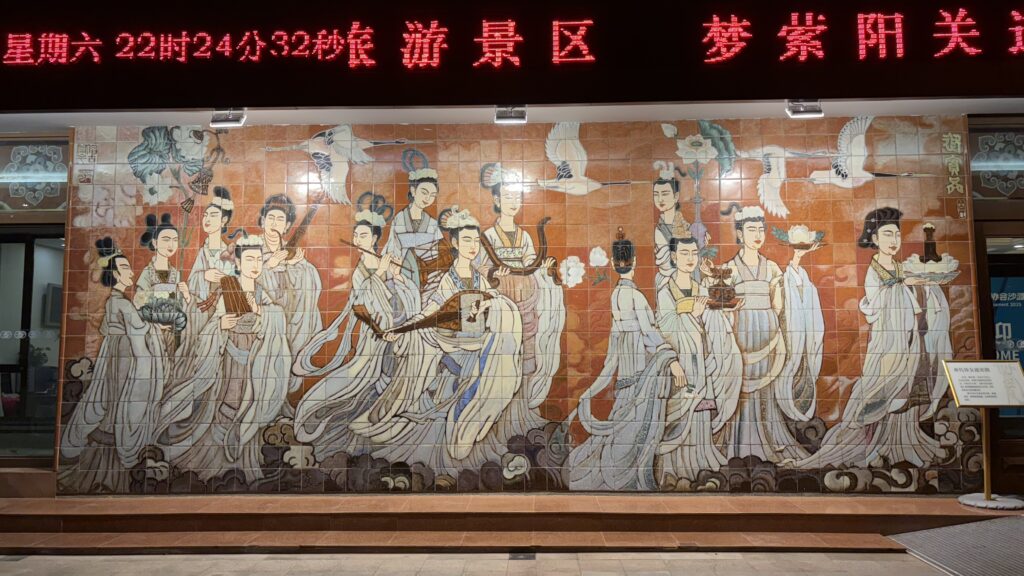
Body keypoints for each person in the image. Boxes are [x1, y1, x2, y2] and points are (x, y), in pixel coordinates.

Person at [356, 206, 522, 478]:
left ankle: (473, 419)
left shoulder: (478, 277)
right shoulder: (448, 280)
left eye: (475, 240)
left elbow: (494, 302)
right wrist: (403, 329)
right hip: (453, 344)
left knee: (500, 357)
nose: (472, 246)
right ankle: (459, 419)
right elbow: (432, 312)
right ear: (454, 243)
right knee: (479, 362)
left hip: (478, 342)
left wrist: (491, 302)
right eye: (466, 240)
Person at [789, 208, 944, 470]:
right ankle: (868, 443)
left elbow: (911, 297)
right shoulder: (875, 271)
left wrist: (920, 286)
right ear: (874, 239)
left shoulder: (900, 267)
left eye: (897, 234)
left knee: (907, 386)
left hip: (909, 340)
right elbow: (878, 303)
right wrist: (904, 283)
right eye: (887, 234)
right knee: (879, 385)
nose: (894, 240)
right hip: (887, 342)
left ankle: (900, 439)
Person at [291, 210, 423, 461]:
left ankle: (389, 417)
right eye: (356, 235)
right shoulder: (361, 270)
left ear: (374, 239)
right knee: (369, 378)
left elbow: (408, 295)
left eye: (363, 235)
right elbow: (361, 302)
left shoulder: (385, 262)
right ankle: (364, 421)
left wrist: (396, 276)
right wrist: (380, 275)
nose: (358, 239)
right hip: (374, 336)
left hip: (399, 330)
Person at [158, 236, 291, 482]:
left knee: (248, 412)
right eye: (249, 259)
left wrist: (263, 313)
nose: (255, 265)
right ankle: (217, 469)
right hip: (230, 365)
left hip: (254, 367)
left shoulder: (261, 294)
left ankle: (246, 468)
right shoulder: (229, 288)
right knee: (226, 410)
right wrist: (221, 324)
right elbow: (208, 329)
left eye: (258, 260)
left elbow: (277, 318)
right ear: (238, 263)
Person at [565, 228, 687, 491]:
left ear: (613, 263)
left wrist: (598, 383)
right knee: (634, 432)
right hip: (639, 375)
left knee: (624, 430)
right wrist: (672, 359)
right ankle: (627, 478)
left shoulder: (616, 295)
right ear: (635, 262)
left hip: (624, 375)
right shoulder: (635, 296)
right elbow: (650, 333)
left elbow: (617, 341)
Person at [710, 205, 823, 464]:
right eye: (751, 230)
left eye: (760, 230)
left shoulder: (771, 267)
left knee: (767, 392)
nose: (757, 235)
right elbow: (717, 305)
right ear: (740, 234)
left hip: (769, 333)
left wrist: (797, 260)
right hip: (741, 334)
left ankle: (769, 440)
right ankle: (739, 444)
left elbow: (781, 304)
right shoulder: (729, 268)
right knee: (741, 388)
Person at [60, 238, 166, 493]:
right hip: (125, 359)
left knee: (112, 402)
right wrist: (155, 327)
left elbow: (114, 329)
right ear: (115, 274)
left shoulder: (114, 302)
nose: (131, 273)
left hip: (116, 355)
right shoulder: (122, 303)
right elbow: (139, 333)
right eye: (125, 268)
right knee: (120, 403)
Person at [477, 163, 565, 435]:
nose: (513, 202)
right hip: (502, 304)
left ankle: (523, 411)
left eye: (516, 197)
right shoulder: (488, 236)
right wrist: (494, 273)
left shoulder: (524, 236)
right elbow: (479, 267)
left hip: (526, 299)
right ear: (496, 200)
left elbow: (531, 265)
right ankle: (500, 416)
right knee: (503, 357)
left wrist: (544, 267)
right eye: (507, 197)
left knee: (527, 354)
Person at [655, 234, 728, 487]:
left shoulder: (702, 290)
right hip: (680, 365)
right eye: (684, 253)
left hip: (701, 364)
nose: (690, 258)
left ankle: (700, 465)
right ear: (674, 257)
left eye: (694, 253)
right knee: (678, 416)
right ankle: (674, 471)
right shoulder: (666, 292)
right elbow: (664, 328)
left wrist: (706, 317)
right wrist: (691, 317)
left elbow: (714, 327)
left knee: (700, 415)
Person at [257, 194, 323, 397]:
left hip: (290, 318)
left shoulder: (290, 251)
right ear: (263, 221)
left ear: (287, 226)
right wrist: (269, 265)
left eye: (280, 219)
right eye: (270, 218)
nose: (274, 223)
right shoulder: (252, 246)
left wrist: (296, 267)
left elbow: (312, 284)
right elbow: (243, 278)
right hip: (263, 317)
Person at [133, 213, 191, 353]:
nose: (171, 245)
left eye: (175, 240)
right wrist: (156, 325)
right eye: (166, 240)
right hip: (152, 333)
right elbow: (138, 305)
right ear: (155, 243)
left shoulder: (176, 274)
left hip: (172, 330)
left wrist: (186, 295)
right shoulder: (147, 273)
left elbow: (182, 306)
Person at [383, 162, 443, 292]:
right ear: (413, 191)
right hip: (401, 276)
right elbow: (392, 250)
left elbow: (440, 256)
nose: (427, 198)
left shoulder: (432, 224)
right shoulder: (399, 219)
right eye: (424, 192)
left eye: (432, 195)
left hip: (428, 279)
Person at [652, 162, 691, 287]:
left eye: (665, 194)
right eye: (656, 195)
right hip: (667, 282)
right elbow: (667, 266)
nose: (660, 199)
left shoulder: (685, 225)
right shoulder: (659, 231)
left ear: (676, 196)